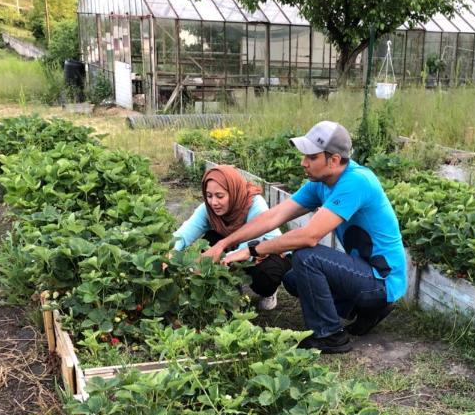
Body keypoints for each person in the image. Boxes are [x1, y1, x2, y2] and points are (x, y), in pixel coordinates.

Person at [203, 121, 408, 353]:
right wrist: (225, 243)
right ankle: (366, 310)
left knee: (306, 256)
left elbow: (310, 236)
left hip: (381, 278)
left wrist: (252, 250)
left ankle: (329, 335)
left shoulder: (357, 181)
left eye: (311, 157)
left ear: (333, 160)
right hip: (365, 273)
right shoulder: (320, 183)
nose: (303, 163)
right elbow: (273, 217)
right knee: (293, 278)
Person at [172, 164, 291, 310]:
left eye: (220, 196)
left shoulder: (254, 204)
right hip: (233, 246)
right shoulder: (207, 209)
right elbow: (183, 234)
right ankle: (230, 290)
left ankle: (269, 292)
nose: (213, 202)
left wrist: (206, 263)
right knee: (209, 241)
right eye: (209, 196)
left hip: (265, 251)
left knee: (266, 277)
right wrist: (170, 252)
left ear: (233, 191)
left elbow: (249, 245)